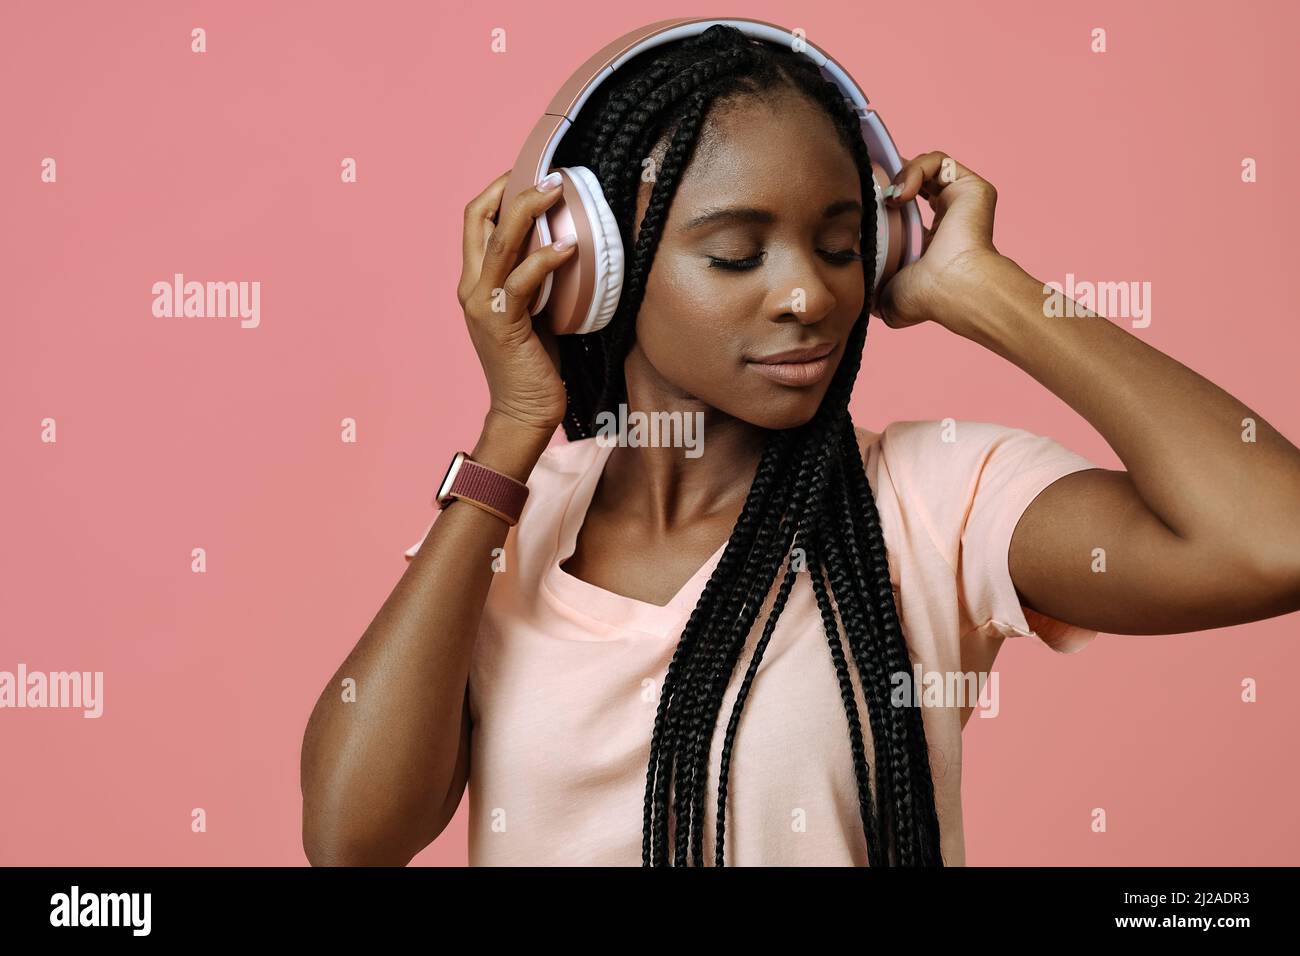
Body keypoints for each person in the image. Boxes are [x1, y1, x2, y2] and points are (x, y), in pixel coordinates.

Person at [299, 25, 1300, 867]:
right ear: (593, 269)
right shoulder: (506, 529)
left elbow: (1273, 539)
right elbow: (351, 833)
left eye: (839, 244)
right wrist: (509, 433)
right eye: (737, 253)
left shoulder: (936, 496)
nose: (808, 295)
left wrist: (983, 290)